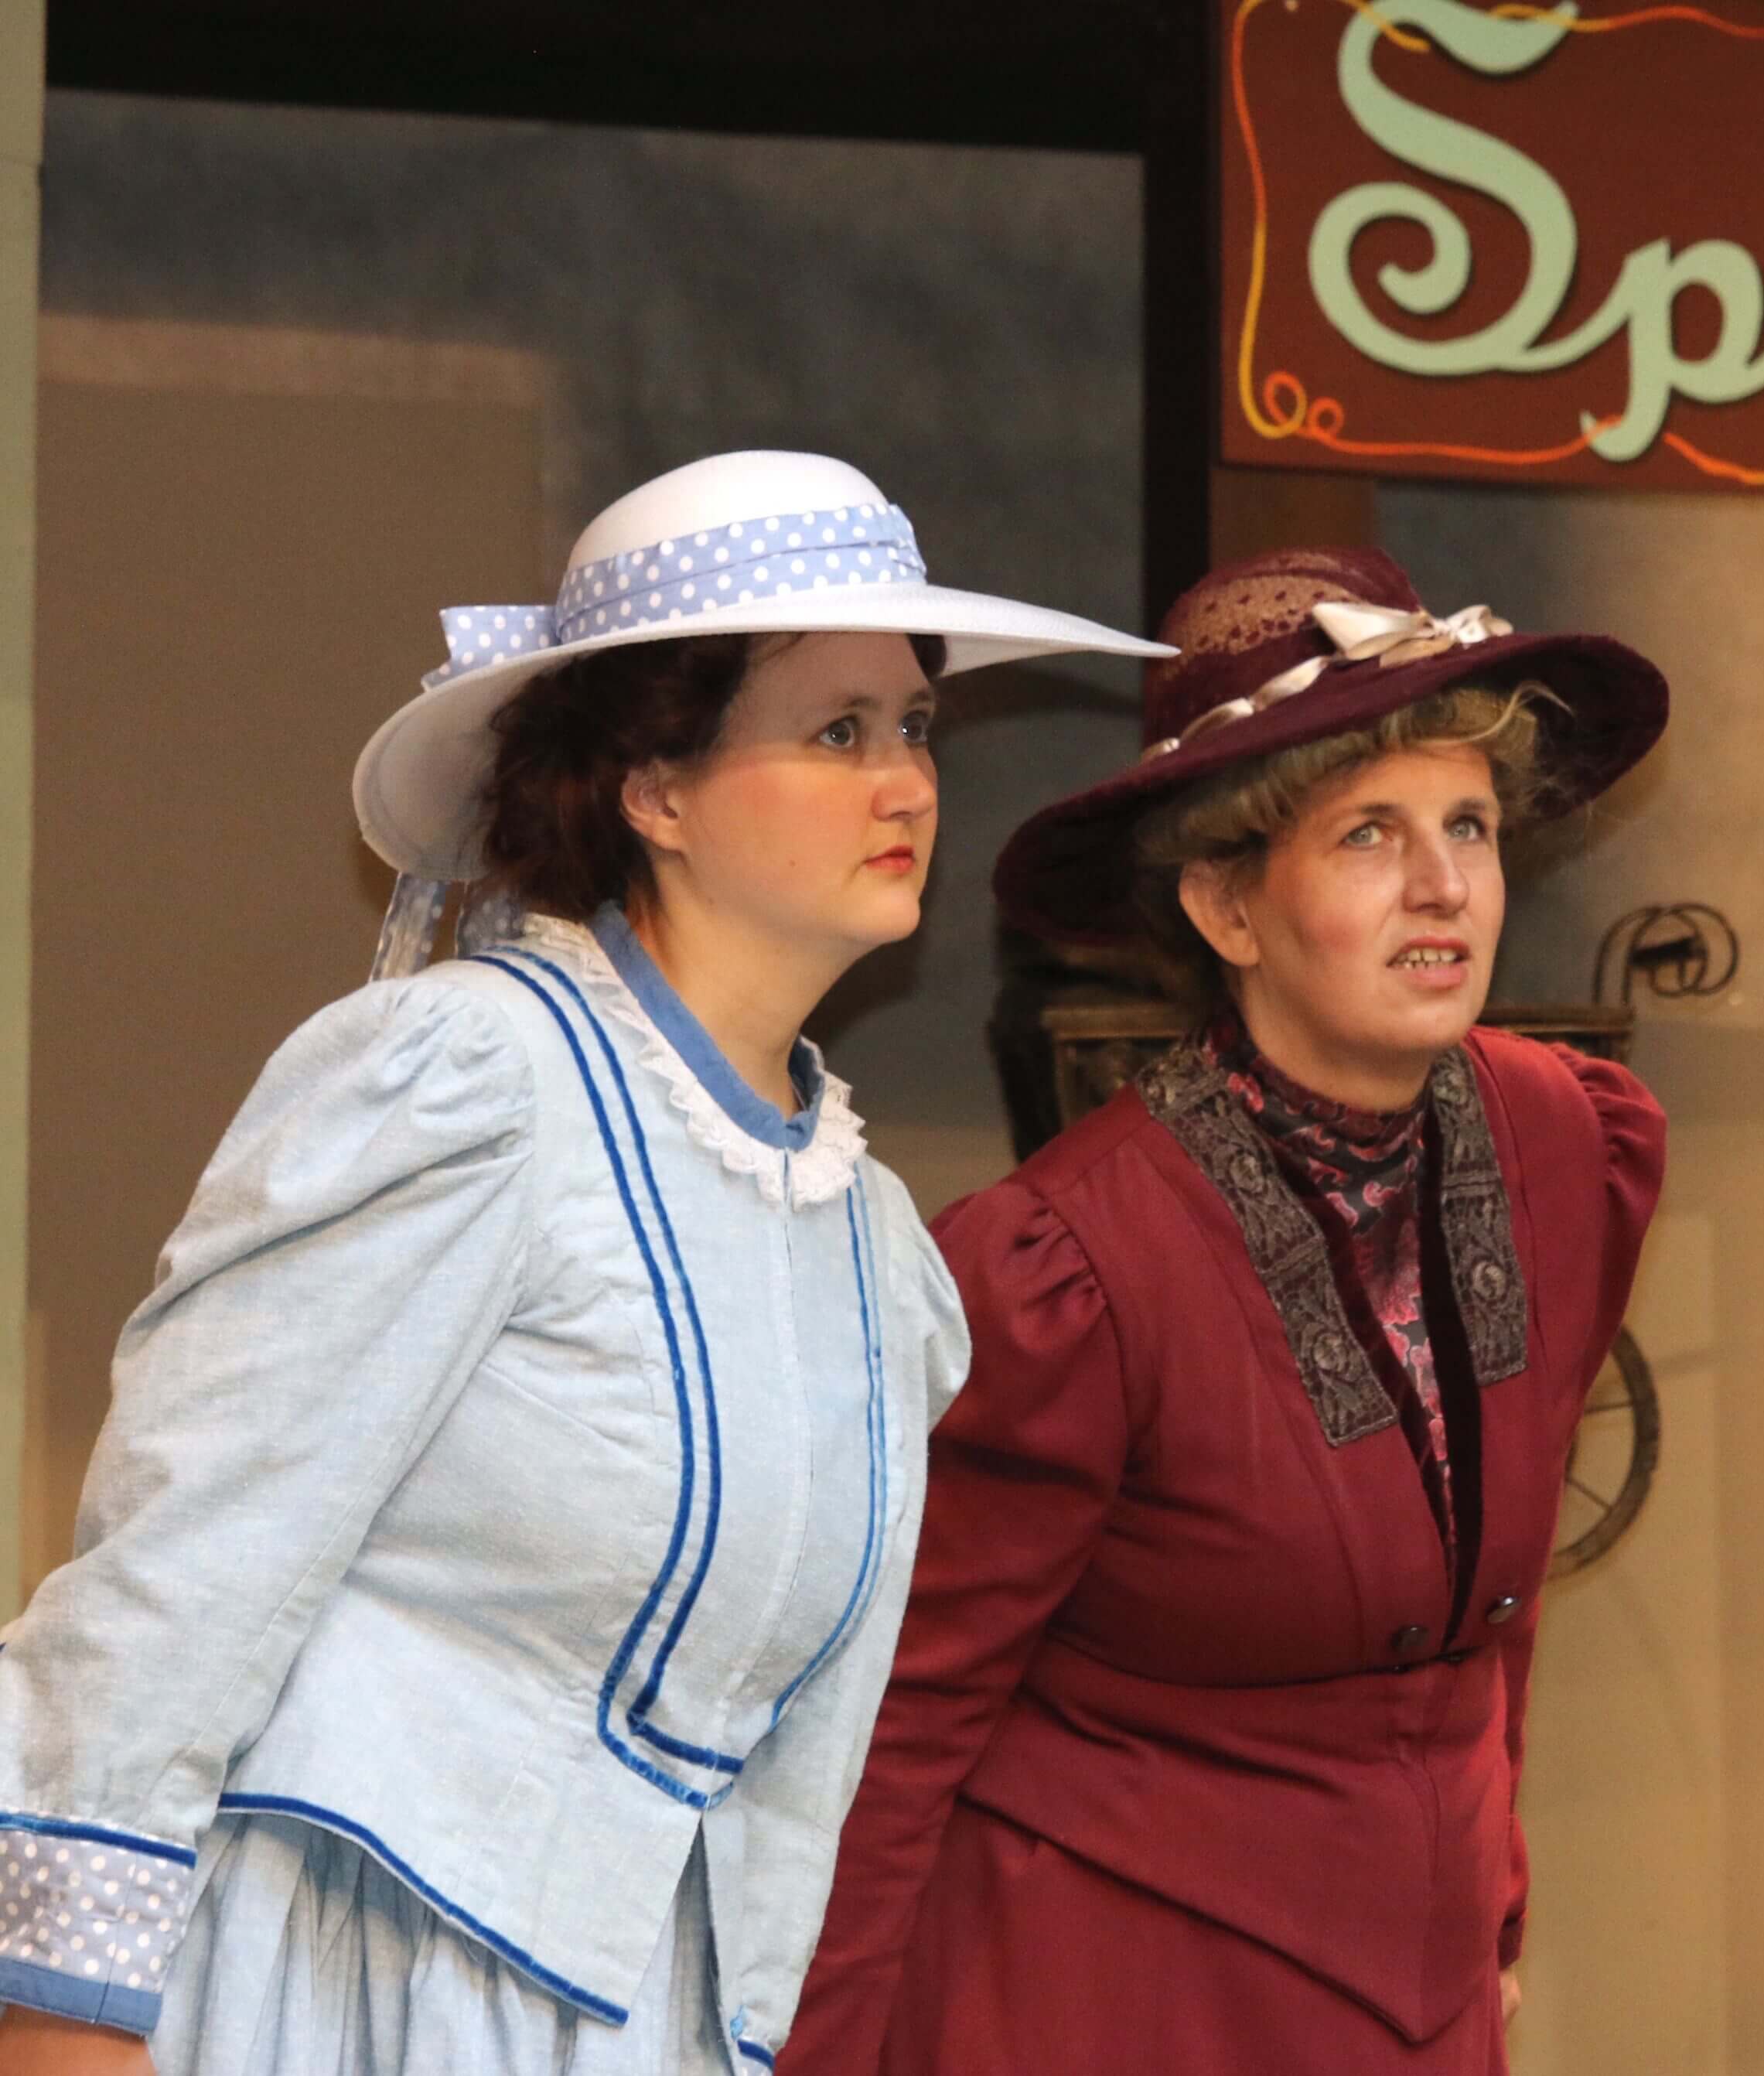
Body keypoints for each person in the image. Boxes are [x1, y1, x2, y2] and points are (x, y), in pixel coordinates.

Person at [0, 449, 1165, 2076]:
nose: (907, 784)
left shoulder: (874, 1247)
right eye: (838, 732)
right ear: (655, 790)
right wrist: (62, 2006)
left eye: (914, 727)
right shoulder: (473, 1079)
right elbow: (186, 1558)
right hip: (345, 1983)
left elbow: (805, 1761)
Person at [785, 546, 1670, 2074]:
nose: (1443, 886)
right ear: (1228, 906)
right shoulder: (1069, 1268)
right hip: (1103, 1994)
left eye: (1467, 824)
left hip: (1416, 2002)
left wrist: (1492, 1914)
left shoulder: (1568, 1145)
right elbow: (899, 1727)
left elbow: (1494, 1621)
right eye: (1368, 834)